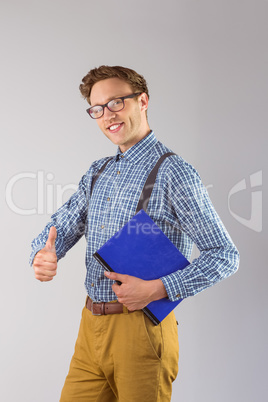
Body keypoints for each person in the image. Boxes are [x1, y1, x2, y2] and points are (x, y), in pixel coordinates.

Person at [30, 65, 239, 402]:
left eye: (116, 103)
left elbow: (225, 255)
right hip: (91, 327)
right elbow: (61, 225)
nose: (106, 116)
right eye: (97, 109)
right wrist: (43, 252)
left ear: (142, 101)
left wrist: (159, 288)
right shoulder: (98, 171)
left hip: (141, 331)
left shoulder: (174, 172)